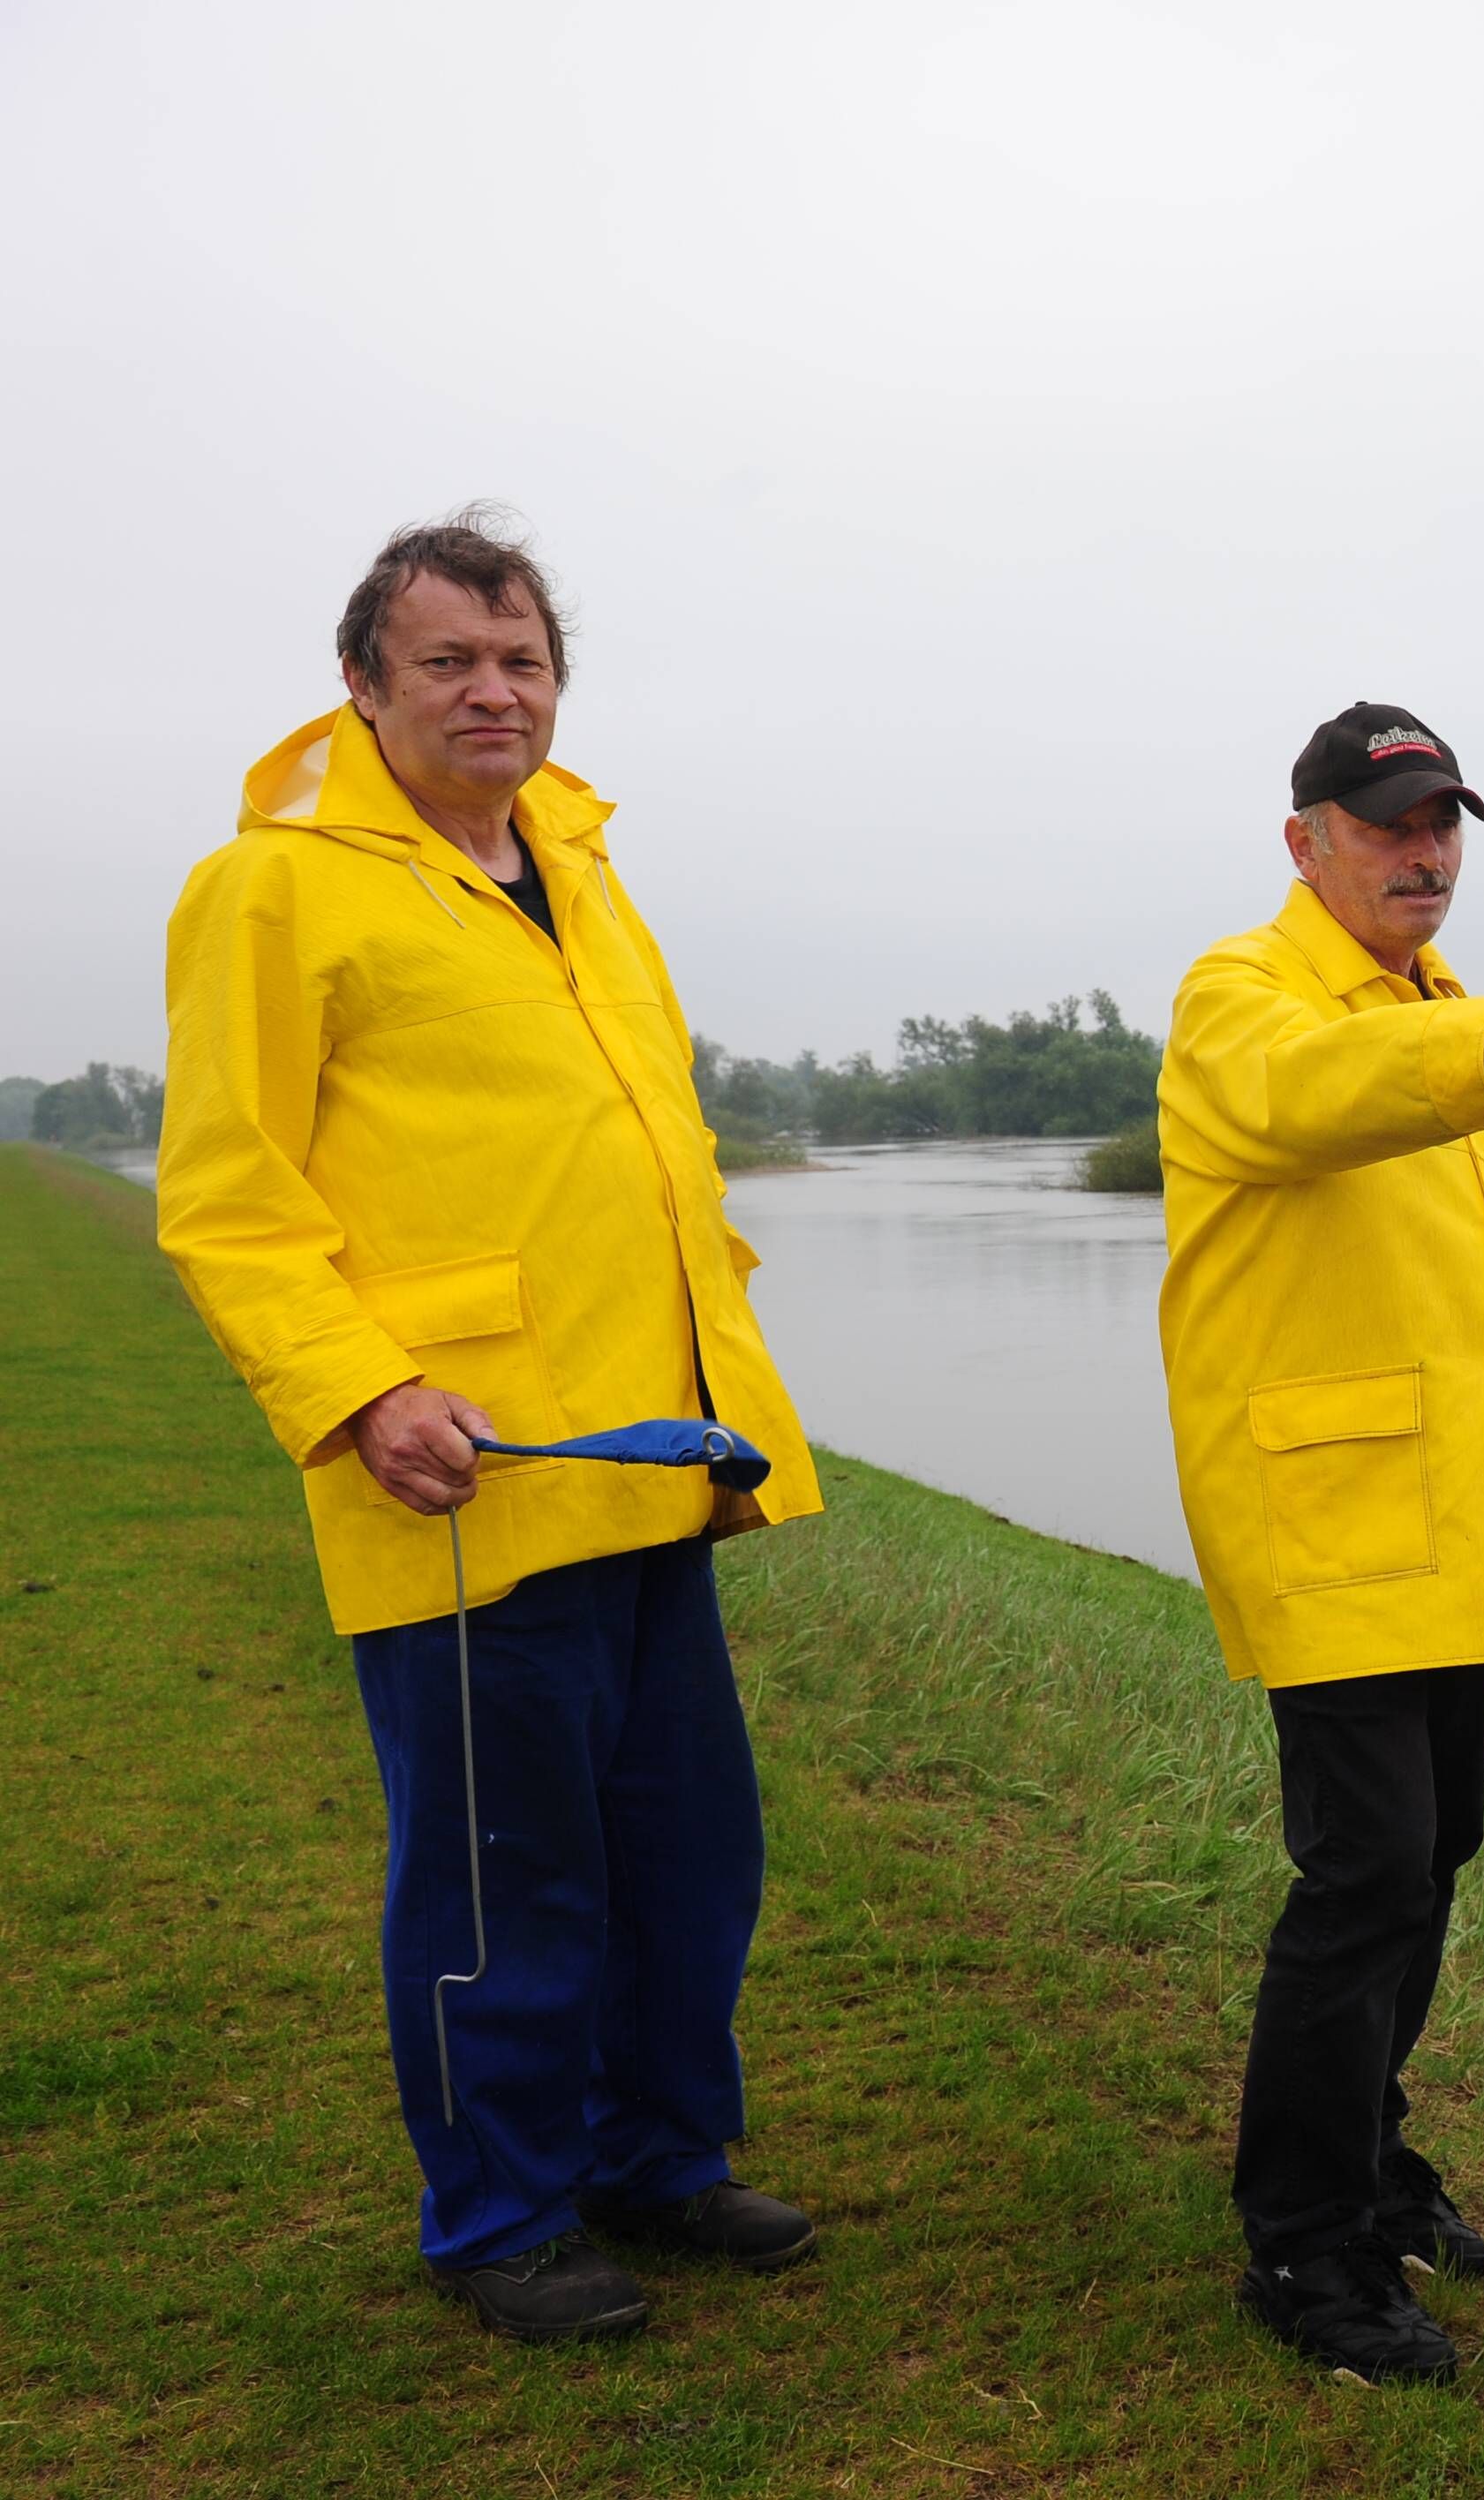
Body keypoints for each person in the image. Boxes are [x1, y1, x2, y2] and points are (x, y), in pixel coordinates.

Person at [156, 510, 826, 2344]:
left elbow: (653, 1151)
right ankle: (502, 2218)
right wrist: (362, 1390)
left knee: (688, 1855)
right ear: (363, 688)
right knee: (500, 1876)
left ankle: (657, 2161)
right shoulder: (273, 889)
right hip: (463, 1475)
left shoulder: (586, 871)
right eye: (447, 659)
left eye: (521, 659)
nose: (492, 689)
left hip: (651, 1462)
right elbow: (227, 1196)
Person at [1156, 701, 1484, 2384]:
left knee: (1430, 1857)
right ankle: (1304, 2248)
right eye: (1386, 825)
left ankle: (1366, 2154)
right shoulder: (1248, 998)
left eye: (1443, 823)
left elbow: (1472, 1312)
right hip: (1324, 1523)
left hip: (1449, 1523)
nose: (1423, 853)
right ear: (1305, 842)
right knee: (1363, 1872)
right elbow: (1312, 1102)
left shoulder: (1445, 1008)